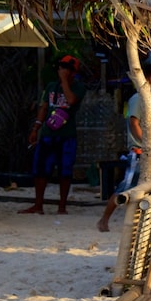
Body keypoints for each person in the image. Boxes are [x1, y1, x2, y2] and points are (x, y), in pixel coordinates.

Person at [97, 63, 151, 232]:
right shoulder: (137, 99)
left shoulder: (150, 99)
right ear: (147, 79)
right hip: (140, 151)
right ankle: (104, 220)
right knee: (125, 188)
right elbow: (133, 122)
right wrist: (146, 142)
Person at [20, 55, 87, 215]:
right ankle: (38, 205)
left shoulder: (78, 87)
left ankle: (62, 206)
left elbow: (70, 100)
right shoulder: (51, 87)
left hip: (67, 135)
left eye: (67, 68)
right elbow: (44, 108)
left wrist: (64, 81)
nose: (63, 70)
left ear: (73, 72)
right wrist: (36, 128)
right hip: (48, 134)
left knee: (65, 170)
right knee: (40, 169)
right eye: (61, 67)